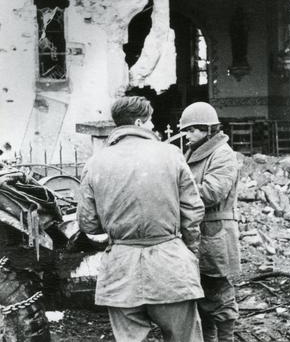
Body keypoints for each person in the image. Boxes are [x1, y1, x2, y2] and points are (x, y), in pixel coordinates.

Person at [77, 96, 205, 342]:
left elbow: (88, 223)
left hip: (120, 272)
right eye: (150, 121)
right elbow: (192, 211)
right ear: (139, 122)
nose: (153, 127)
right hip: (171, 268)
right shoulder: (172, 154)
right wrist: (189, 251)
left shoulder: (95, 163)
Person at [179, 102, 241, 342]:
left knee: (220, 292)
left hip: (216, 232)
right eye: (186, 130)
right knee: (203, 293)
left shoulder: (223, 154)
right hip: (200, 231)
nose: (187, 134)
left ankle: (226, 339)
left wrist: (175, 190)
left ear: (208, 129)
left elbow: (212, 192)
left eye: (193, 129)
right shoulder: (195, 151)